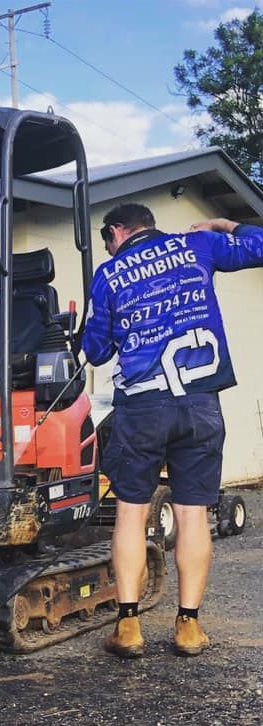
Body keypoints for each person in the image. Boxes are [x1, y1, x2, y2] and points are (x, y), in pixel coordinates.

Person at [84, 203, 263, 659]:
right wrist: (224, 223)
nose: (107, 244)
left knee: (130, 512)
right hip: (200, 405)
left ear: (121, 229)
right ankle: (188, 627)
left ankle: (128, 627)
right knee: (192, 515)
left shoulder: (109, 273)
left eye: (107, 235)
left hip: (142, 408)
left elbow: (97, 350)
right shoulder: (197, 245)